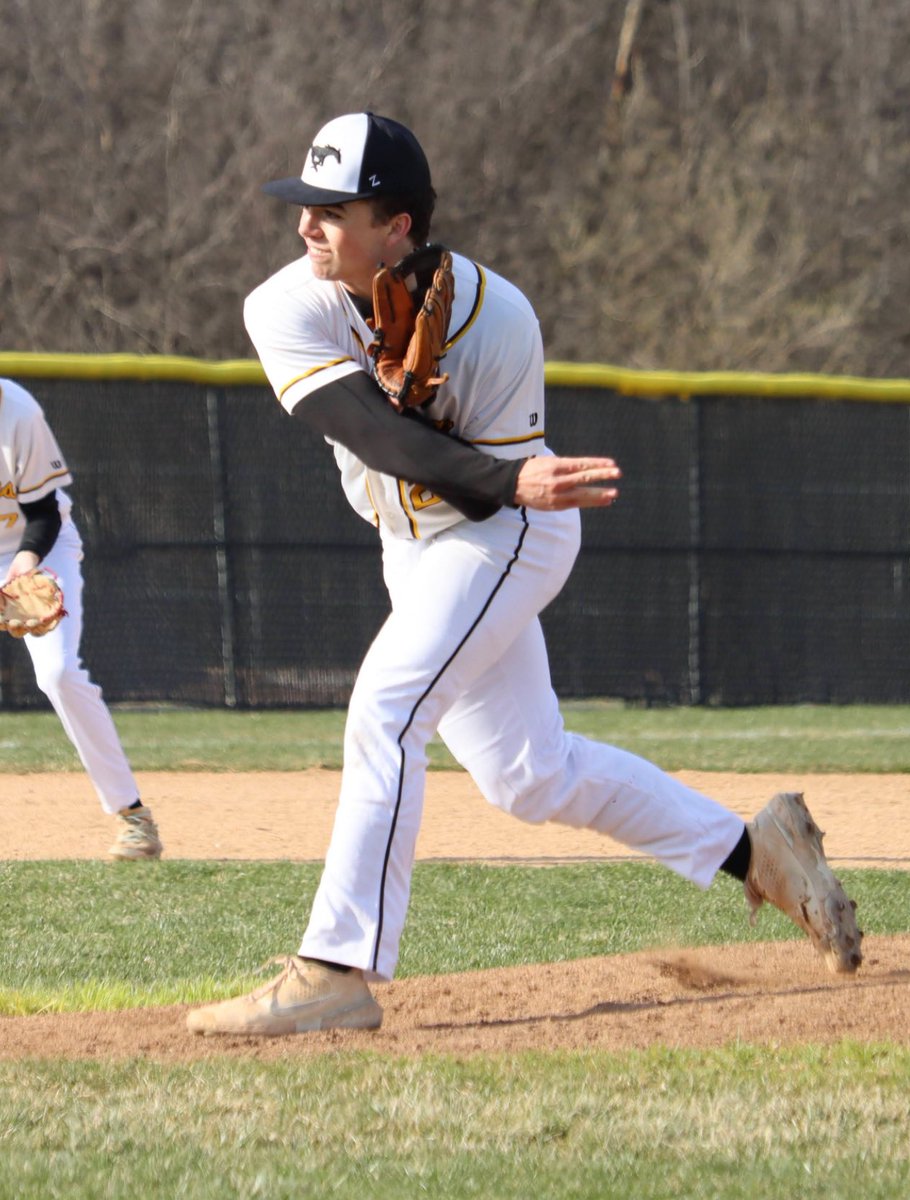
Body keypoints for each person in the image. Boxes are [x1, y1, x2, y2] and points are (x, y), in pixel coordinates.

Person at [186, 112, 860, 1036]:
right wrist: (484, 461)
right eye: (304, 205)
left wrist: (506, 476)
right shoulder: (284, 303)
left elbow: (482, 502)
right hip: (413, 541)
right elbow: (369, 433)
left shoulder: (498, 320)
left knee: (387, 708)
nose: (306, 225)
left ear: (397, 227)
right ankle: (760, 853)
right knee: (529, 776)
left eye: (331, 209)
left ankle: (336, 969)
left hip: (507, 533)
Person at [0, 377, 162, 861]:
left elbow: (44, 513)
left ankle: (134, 819)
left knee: (59, 673)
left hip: (36, 546)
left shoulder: (17, 412)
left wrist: (24, 565)